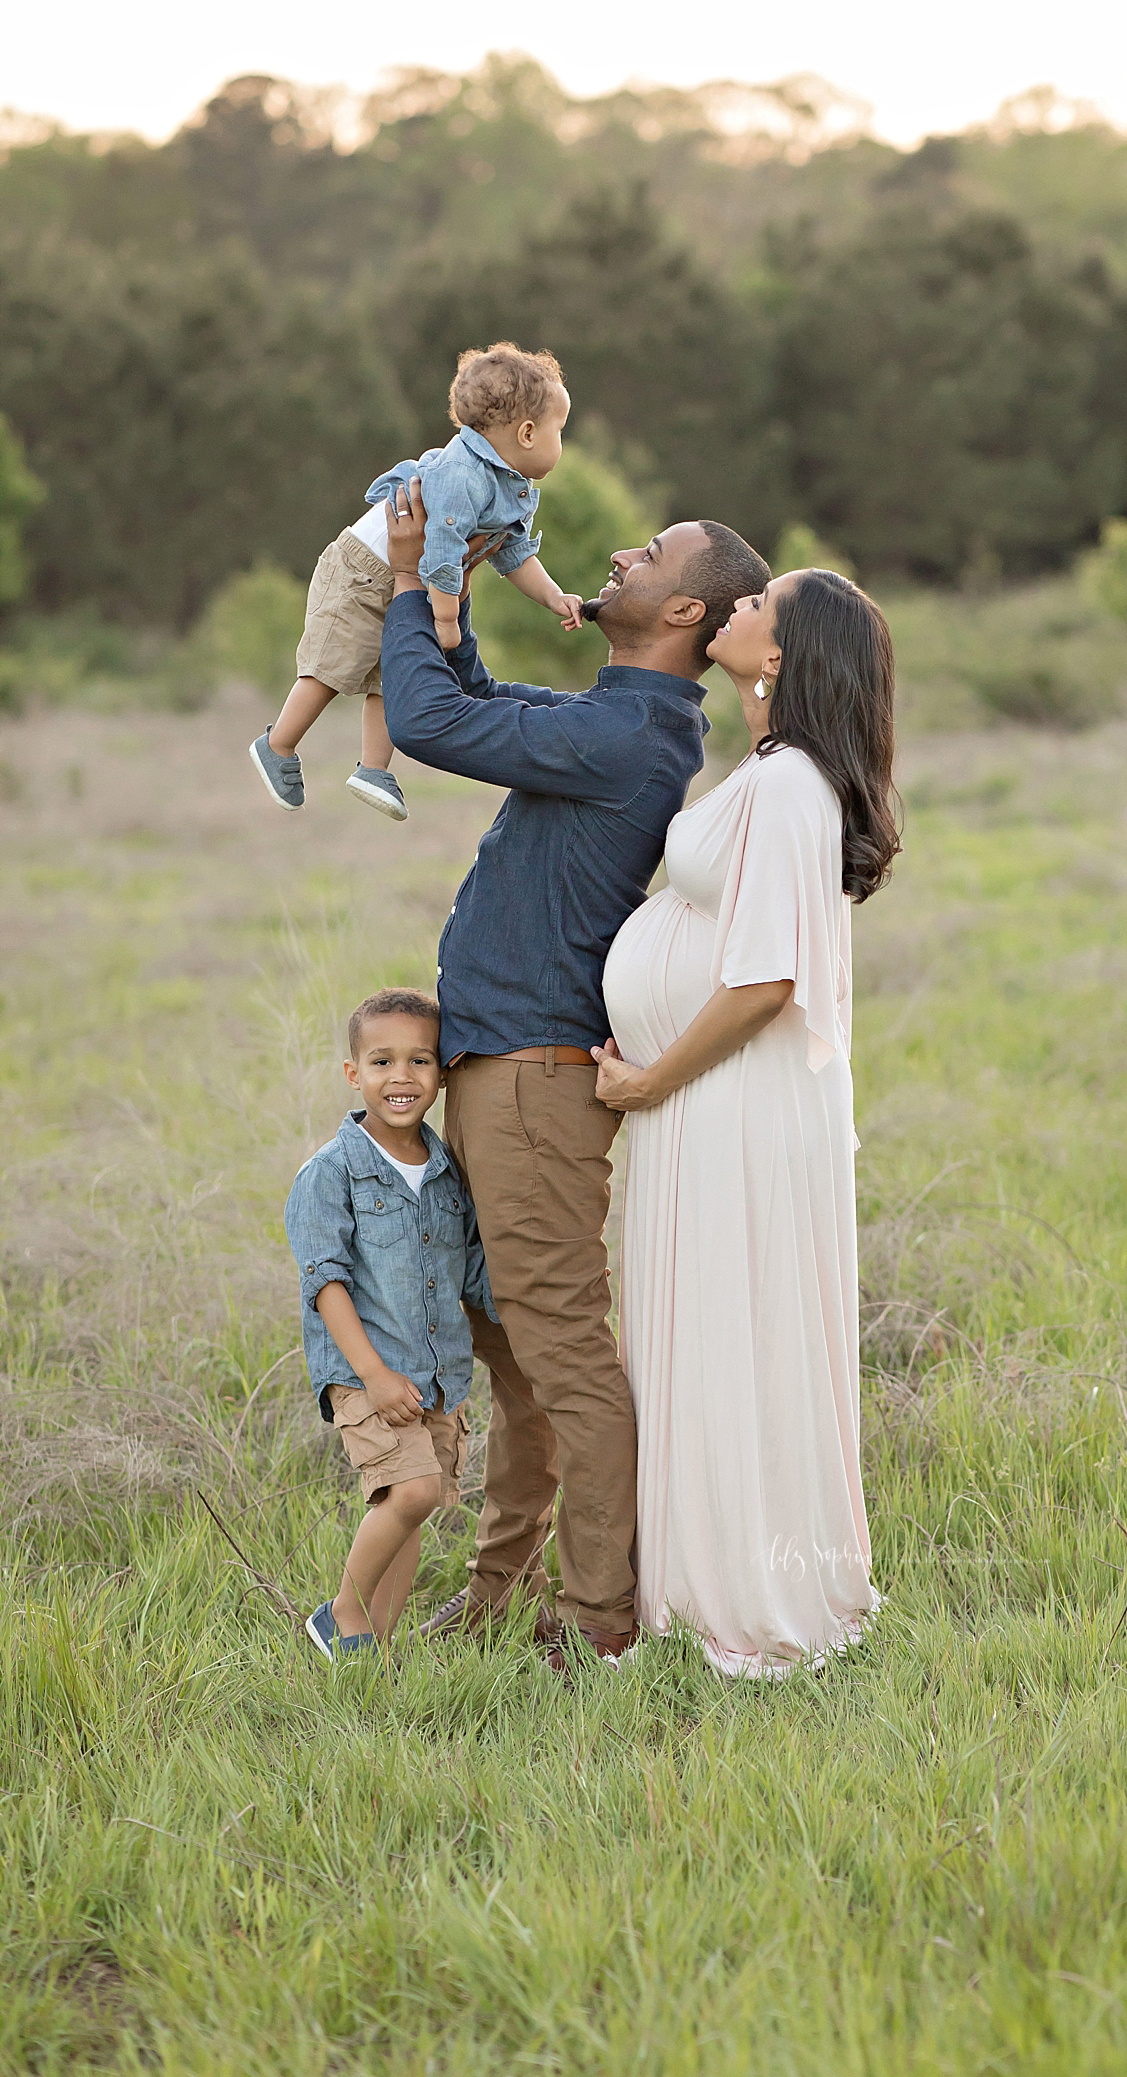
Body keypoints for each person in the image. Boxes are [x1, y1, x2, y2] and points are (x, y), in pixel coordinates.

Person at [378, 475, 771, 1667]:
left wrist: (404, 583)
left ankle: (599, 1619)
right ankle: (501, 1594)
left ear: (688, 615)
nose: (620, 553)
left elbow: (434, 725)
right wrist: (448, 612)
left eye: (651, 553)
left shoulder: (627, 734)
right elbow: (482, 701)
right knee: (519, 1357)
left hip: (531, 1083)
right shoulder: (620, 719)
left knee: (562, 1358)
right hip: (502, 1070)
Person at [594, 568, 901, 1677]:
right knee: (715, 1327)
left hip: (726, 1098)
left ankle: (745, 1595)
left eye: (763, 603)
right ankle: (701, 1577)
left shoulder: (789, 788)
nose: (738, 606)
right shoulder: (774, 775)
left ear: (782, 654)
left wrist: (649, 1080)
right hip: (716, 1103)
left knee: (732, 1330)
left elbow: (767, 980)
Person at [249, 342, 585, 826]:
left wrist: (553, 595)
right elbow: (445, 551)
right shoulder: (460, 475)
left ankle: (373, 767)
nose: (561, 443)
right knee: (335, 662)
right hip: (364, 570)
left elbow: (511, 551)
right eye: (561, 431)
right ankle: (278, 745)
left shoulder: (512, 484)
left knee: (396, 671)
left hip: (416, 578)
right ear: (528, 433)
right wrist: (446, 619)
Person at [284, 989, 493, 1660]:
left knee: (414, 1508)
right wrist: (373, 1376)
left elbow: (469, 1270)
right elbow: (325, 1283)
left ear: (441, 1073)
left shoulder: (447, 1174)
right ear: (353, 1073)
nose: (401, 1078)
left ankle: (372, 1649)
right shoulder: (331, 1173)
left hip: (437, 1374)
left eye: (419, 1061)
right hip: (368, 1372)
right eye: (381, 1061)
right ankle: (341, 1612)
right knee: (413, 1489)